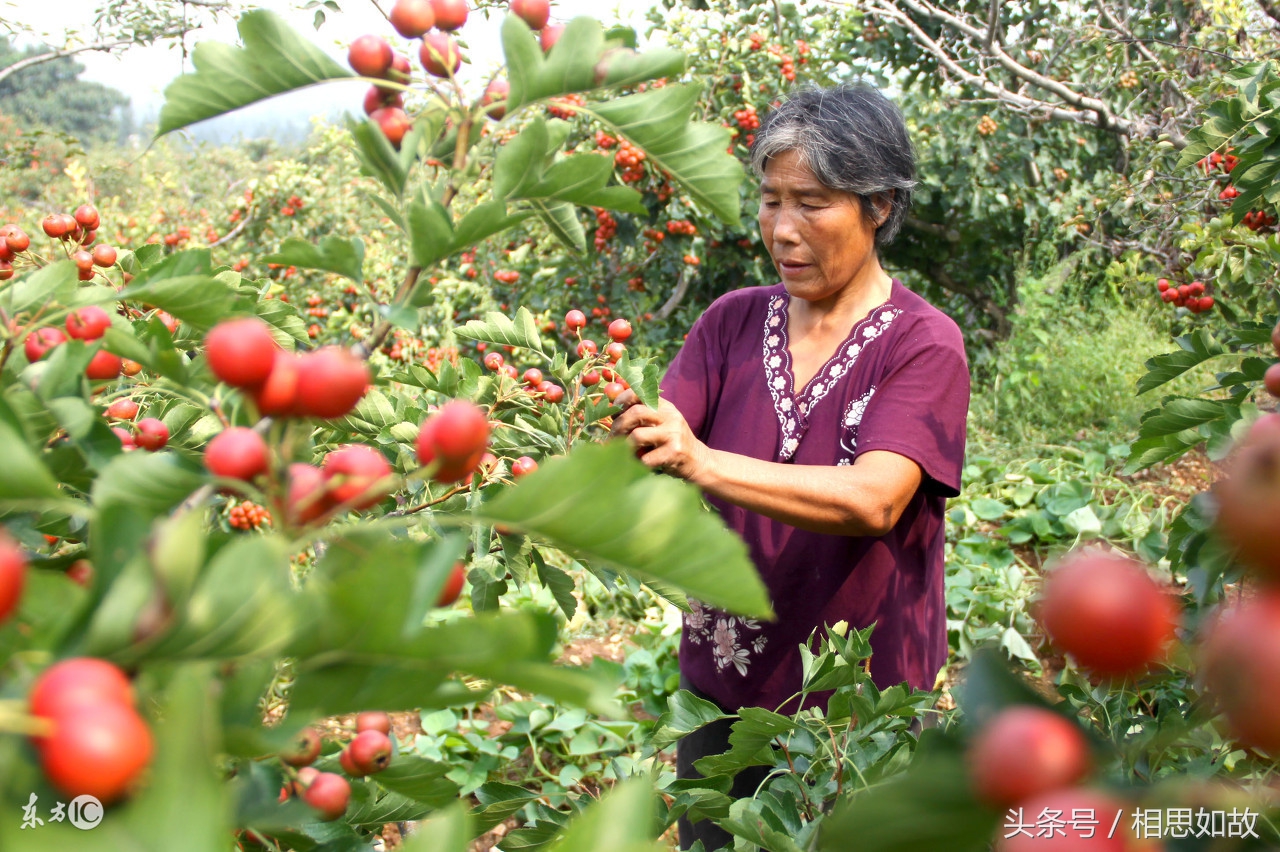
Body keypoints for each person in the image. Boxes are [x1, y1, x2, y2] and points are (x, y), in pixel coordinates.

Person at [609, 84, 970, 851]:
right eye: (771, 200)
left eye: (811, 203)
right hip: (722, 698)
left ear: (878, 205)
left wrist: (702, 462)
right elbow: (661, 438)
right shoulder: (732, 323)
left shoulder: (921, 343)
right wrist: (606, 422)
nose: (782, 228)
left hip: (857, 717)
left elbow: (873, 499)